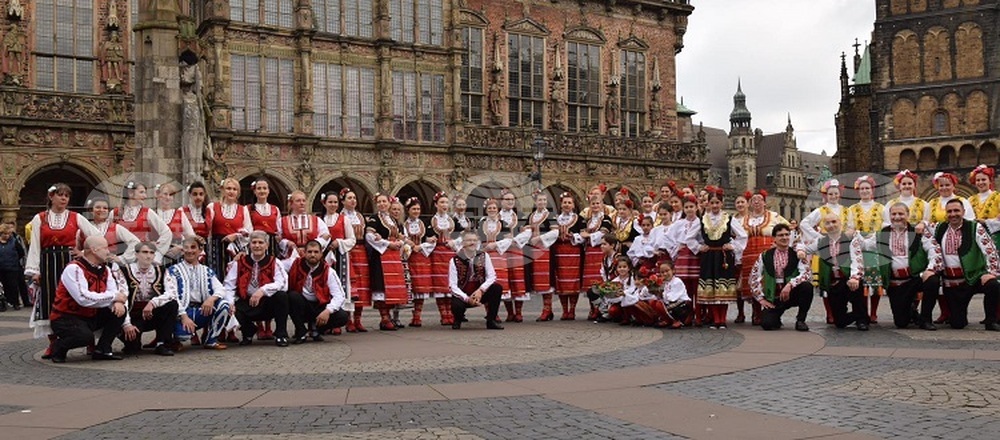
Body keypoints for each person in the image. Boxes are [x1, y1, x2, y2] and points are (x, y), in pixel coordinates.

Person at [25, 183, 101, 358]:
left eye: (67, 196)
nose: (64, 198)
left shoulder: (76, 217)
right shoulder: (40, 218)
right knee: (50, 302)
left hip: (70, 264)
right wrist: (35, 270)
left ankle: (89, 340)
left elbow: (96, 236)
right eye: (60, 195)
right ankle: (53, 343)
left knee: (77, 299)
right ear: (51, 197)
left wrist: (83, 253)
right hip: (48, 265)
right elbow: (35, 245)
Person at [862, 202, 942, 330]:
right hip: (896, 282)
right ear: (889, 216)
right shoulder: (882, 233)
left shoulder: (918, 231)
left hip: (914, 277)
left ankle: (926, 319)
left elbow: (934, 250)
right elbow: (865, 245)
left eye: (901, 214)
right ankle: (912, 312)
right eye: (893, 214)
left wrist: (930, 269)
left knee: (932, 281)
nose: (897, 217)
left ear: (908, 215)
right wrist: (851, 235)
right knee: (901, 323)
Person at [48, 236, 127, 363]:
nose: (108, 251)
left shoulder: (105, 269)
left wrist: (117, 302)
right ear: (94, 250)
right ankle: (59, 347)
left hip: (90, 315)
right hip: (66, 317)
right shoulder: (74, 268)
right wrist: (114, 297)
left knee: (119, 311)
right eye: (105, 248)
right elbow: (82, 298)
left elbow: (113, 290)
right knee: (85, 337)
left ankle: (103, 349)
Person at [933, 199, 1000, 331]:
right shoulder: (939, 228)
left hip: (972, 278)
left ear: (963, 212)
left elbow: (990, 250)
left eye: (956, 211)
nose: (953, 214)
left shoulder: (974, 227)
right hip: (951, 283)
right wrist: (921, 225)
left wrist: (991, 273)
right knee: (957, 324)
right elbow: (923, 230)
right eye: (949, 211)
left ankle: (991, 320)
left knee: (992, 284)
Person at [798, 213, 868, 331]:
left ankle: (862, 320)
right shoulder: (821, 241)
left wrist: (854, 277)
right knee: (839, 322)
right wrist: (801, 251)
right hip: (833, 282)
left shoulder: (850, 239)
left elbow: (856, 259)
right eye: (827, 223)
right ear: (823, 226)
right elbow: (804, 247)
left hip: (848, 278)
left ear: (840, 223)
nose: (831, 225)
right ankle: (860, 314)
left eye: (834, 222)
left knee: (856, 291)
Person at [226, 231, 291, 346]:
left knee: (281, 296)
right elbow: (229, 285)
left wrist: (262, 291)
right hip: (247, 301)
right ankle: (248, 331)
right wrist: (230, 302)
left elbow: (283, 283)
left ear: (267, 245)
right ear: (249, 245)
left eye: (261, 243)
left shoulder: (274, 262)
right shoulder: (239, 263)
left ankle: (281, 335)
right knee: (226, 305)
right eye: (254, 242)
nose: (257, 246)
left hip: (267, 303)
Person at [168, 237, 231, 350]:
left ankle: (211, 340)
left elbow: (221, 289)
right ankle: (175, 340)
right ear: (182, 250)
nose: (189, 251)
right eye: (186, 248)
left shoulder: (206, 270)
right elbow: (172, 295)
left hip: (201, 310)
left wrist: (211, 299)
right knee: (183, 335)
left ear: (200, 250)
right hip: (182, 311)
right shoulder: (173, 270)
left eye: (193, 247)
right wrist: (183, 316)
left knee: (223, 305)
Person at [696, 187, 747, 329]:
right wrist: (699, 247)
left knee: (723, 287)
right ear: (708, 203)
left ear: (722, 203)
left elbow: (743, 235)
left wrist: (733, 246)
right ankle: (715, 319)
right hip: (709, 256)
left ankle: (722, 319)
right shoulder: (703, 219)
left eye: (717, 202)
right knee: (711, 287)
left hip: (723, 257)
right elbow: (690, 237)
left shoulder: (728, 218)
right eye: (712, 203)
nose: (714, 205)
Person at [737, 190, 788, 326]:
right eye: (754, 200)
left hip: (767, 254)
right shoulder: (743, 220)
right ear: (750, 203)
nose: (757, 202)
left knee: (768, 282)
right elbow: (735, 236)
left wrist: (779, 244)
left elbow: (788, 229)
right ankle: (756, 312)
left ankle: (770, 311)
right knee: (752, 281)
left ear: (765, 203)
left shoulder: (774, 216)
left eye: (759, 199)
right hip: (749, 255)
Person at [749, 224, 813, 331]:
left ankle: (801, 320)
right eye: (780, 235)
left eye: (787, 234)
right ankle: (776, 318)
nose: (784, 237)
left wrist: (790, 285)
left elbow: (806, 273)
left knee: (807, 287)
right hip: (775, 295)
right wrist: (761, 299)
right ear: (774, 238)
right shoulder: (765, 255)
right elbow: (754, 277)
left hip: (792, 293)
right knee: (767, 324)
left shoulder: (797, 254)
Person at [284, 240, 350, 343]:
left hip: (320, 306)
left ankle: (316, 328)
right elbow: (276, 265)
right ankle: (301, 331)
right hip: (302, 305)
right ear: (304, 253)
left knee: (342, 316)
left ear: (321, 254)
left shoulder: (329, 271)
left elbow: (339, 295)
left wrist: (328, 311)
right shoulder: (294, 263)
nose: (312, 255)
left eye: (316, 252)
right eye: (309, 252)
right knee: (292, 296)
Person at [120, 241, 178, 355]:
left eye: (151, 253)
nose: (148, 256)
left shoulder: (161, 270)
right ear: (136, 254)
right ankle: (132, 342)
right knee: (132, 347)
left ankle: (162, 343)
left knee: (172, 304)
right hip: (132, 314)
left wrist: (153, 303)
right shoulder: (124, 271)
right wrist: (126, 323)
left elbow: (172, 293)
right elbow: (122, 298)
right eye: (145, 252)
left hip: (151, 313)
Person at [846, 175, 887, 324]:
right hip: (857, 247)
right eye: (862, 188)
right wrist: (853, 232)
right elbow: (849, 226)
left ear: (872, 190)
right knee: (860, 279)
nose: (864, 191)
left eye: (867, 188)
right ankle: (862, 311)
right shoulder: (852, 209)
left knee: (875, 280)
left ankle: (873, 312)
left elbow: (886, 224)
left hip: (875, 246)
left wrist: (876, 235)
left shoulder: (881, 208)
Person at [365, 193, 409, 331]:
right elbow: (369, 236)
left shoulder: (392, 219)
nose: (382, 204)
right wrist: (387, 243)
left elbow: (402, 236)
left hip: (394, 257)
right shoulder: (374, 218)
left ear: (389, 203)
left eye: (384, 201)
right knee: (382, 286)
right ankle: (384, 317)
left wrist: (399, 243)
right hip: (381, 256)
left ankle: (389, 317)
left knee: (392, 287)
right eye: (379, 202)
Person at [448, 231, 504, 330]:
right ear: (463, 243)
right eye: (469, 240)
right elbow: (452, 286)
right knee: (457, 305)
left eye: (474, 240)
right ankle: (457, 319)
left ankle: (491, 320)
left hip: (480, 293)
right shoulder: (455, 260)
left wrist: (481, 290)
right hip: (464, 294)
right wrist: (467, 299)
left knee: (497, 288)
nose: (472, 243)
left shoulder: (484, 255)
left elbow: (492, 276)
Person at [319, 191, 356, 335]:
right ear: (324, 203)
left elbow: (352, 239)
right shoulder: (319, 219)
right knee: (324, 286)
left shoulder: (343, 219)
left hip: (340, 256)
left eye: (335, 202)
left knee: (340, 285)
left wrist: (339, 242)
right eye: (330, 202)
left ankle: (341, 320)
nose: (333, 205)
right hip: (323, 256)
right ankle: (326, 320)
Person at [664, 195, 702, 325]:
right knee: (685, 288)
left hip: (696, 256)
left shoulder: (701, 222)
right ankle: (688, 314)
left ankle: (699, 315)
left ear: (696, 208)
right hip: (683, 256)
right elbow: (667, 237)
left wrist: (700, 247)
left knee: (697, 287)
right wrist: (676, 248)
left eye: (692, 206)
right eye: (686, 207)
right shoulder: (679, 223)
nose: (689, 209)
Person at [114, 181, 172, 263]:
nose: (145, 196)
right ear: (130, 193)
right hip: (118, 258)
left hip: (140, 260)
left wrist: (158, 254)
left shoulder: (147, 212)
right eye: (141, 192)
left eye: (145, 193)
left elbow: (166, 232)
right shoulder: (115, 213)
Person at [340, 188, 370, 332]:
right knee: (349, 285)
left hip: (361, 251)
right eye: (349, 198)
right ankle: (348, 320)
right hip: (348, 251)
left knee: (362, 285)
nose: (353, 201)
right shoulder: (341, 216)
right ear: (343, 201)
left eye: (354, 198)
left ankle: (358, 319)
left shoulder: (360, 216)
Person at [549, 192, 583, 321]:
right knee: (561, 280)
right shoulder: (555, 219)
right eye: (565, 203)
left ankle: (572, 310)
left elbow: (584, 235)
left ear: (573, 205)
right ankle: (564, 310)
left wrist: (574, 236)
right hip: (559, 251)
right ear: (561, 205)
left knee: (573, 281)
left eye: (569, 203)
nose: (567, 205)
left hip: (573, 251)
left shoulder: (579, 219)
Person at [580, 195, 613, 320]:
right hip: (589, 252)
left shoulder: (606, 219)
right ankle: (592, 308)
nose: (595, 206)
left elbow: (603, 234)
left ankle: (601, 308)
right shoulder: (588, 220)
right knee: (590, 281)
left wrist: (588, 236)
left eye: (598, 203)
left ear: (602, 204)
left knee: (600, 279)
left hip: (600, 251)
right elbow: (581, 234)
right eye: (593, 204)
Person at [429, 192, 460, 326]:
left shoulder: (454, 220)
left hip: (451, 253)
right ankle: (443, 314)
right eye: (441, 202)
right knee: (440, 284)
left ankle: (450, 313)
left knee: (450, 283)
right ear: (436, 205)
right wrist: (429, 239)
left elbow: (463, 235)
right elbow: (426, 236)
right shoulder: (431, 221)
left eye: (446, 202)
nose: (444, 205)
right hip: (437, 254)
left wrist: (454, 242)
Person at [478, 198, 512, 321]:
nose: (492, 210)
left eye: (494, 208)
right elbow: (476, 239)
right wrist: (481, 249)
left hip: (499, 255)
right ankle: (491, 313)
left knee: (500, 282)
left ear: (497, 210)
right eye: (489, 208)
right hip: (485, 255)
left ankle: (504, 312)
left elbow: (509, 239)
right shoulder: (481, 223)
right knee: (487, 281)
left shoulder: (503, 223)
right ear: (486, 210)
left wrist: (495, 244)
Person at [402, 197, 432, 326]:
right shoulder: (404, 225)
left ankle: (417, 316)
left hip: (422, 257)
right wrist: (410, 246)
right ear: (408, 210)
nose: (416, 211)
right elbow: (402, 239)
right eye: (413, 209)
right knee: (412, 286)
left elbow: (432, 239)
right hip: (409, 257)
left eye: (418, 209)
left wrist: (422, 246)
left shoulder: (425, 223)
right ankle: (412, 314)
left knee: (421, 287)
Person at [498, 190, 528, 321]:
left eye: (512, 199)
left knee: (517, 278)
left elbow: (527, 232)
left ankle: (519, 312)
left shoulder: (520, 216)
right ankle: (510, 312)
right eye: (507, 199)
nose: (510, 201)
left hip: (516, 250)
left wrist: (515, 239)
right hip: (502, 251)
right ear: (501, 201)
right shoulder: (496, 217)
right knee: (506, 280)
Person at [88, 197, 140, 266]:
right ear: (91, 210)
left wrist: (122, 258)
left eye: (105, 208)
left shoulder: (115, 227)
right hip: (88, 265)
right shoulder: (86, 226)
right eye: (98, 207)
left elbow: (135, 241)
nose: (102, 210)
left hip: (110, 265)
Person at [155, 182, 195, 267]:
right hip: (155, 256)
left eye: (171, 195)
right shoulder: (152, 214)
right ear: (158, 195)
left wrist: (181, 247)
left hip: (176, 256)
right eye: (165, 194)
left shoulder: (179, 214)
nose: (168, 197)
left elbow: (191, 237)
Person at [0, 223, 28, 310]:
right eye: (5, 234)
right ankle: (6, 302)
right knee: (4, 286)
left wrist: (15, 259)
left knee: (13, 285)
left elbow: (21, 252)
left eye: (8, 234)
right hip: (1, 267)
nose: (7, 236)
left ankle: (15, 302)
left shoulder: (14, 241)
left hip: (12, 267)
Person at [657, 260, 691, 328]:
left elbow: (672, 298)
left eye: (667, 271)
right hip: (671, 303)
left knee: (660, 304)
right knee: (654, 302)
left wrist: (662, 294)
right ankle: (667, 320)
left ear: (673, 270)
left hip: (681, 305)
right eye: (662, 272)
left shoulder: (677, 282)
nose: (665, 274)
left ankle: (678, 320)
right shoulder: (665, 283)